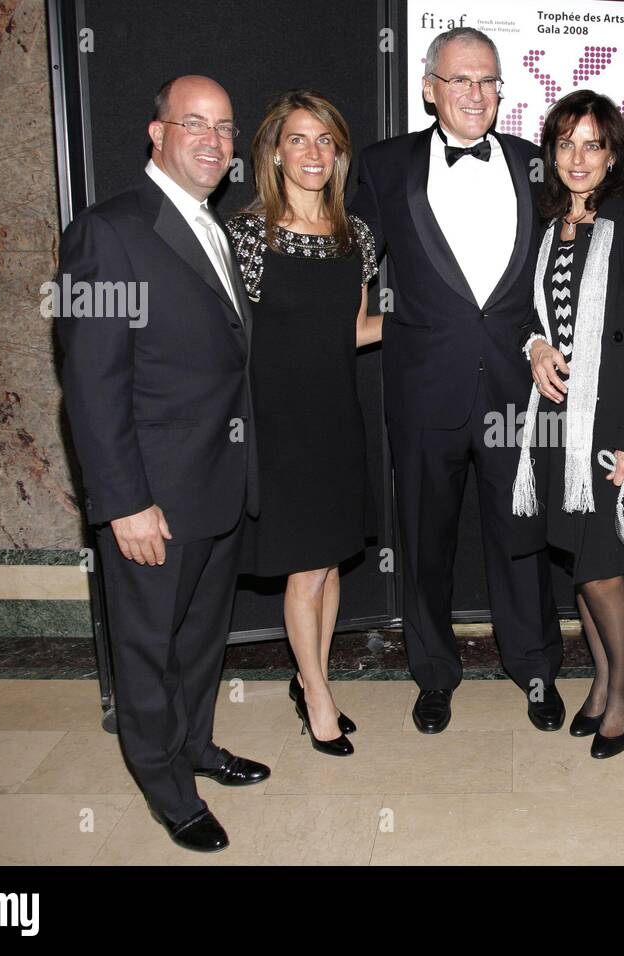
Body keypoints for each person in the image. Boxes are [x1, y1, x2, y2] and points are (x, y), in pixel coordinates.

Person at [56, 75, 269, 853]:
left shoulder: (210, 225)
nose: (214, 142)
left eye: (225, 127)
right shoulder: (106, 233)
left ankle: (195, 746)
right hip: (152, 500)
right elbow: (89, 386)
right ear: (157, 132)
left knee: (200, 642)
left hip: (214, 484)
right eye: (194, 124)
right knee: (148, 648)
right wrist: (123, 502)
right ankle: (164, 784)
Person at [350, 27, 564, 734]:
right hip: (423, 391)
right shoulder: (384, 167)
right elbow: (344, 266)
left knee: (522, 538)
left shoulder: (539, 165)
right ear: (429, 88)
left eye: (488, 81)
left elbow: (560, 274)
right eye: (460, 80)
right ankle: (434, 675)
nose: (476, 94)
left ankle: (535, 669)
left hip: (519, 390)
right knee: (424, 542)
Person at [513, 89, 624, 758]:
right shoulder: (549, 224)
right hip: (556, 427)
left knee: (604, 569)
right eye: (566, 144)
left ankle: (623, 692)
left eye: (592, 145)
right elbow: (528, 315)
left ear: (614, 155)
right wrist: (535, 346)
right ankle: (603, 680)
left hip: (610, 431)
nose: (577, 158)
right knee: (580, 564)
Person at [226, 90, 381, 757]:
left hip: (337, 415)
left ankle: (310, 675)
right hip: (279, 422)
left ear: (339, 153)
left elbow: (353, 331)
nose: (313, 152)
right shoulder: (248, 236)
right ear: (274, 150)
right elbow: (231, 340)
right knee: (305, 568)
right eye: (299, 138)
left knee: (332, 559)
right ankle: (317, 695)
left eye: (326, 140)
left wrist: (425, 330)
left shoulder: (359, 236)